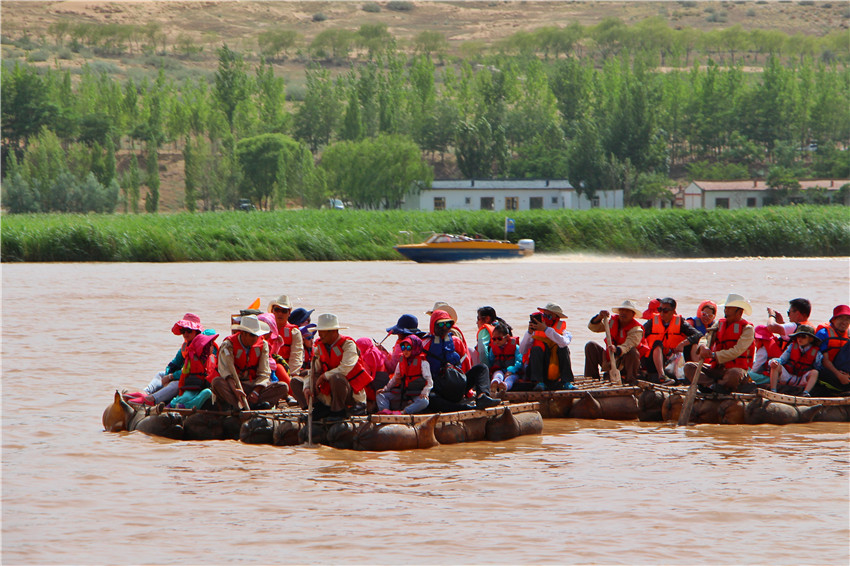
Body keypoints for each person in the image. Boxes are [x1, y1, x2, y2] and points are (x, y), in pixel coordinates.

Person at [297, 313, 373, 420]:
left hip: (350, 393)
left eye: (323, 331)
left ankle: (338, 411)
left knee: (336, 377)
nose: (319, 334)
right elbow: (314, 370)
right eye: (319, 331)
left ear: (334, 331)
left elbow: (345, 367)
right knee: (296, 381)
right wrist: (307, 387)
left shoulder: (348, 344)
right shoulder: (319, 347)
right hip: (328, 394)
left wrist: (324, 376)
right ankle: (318, 407)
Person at [423, 309, 500, 412]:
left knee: (481, 368)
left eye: (448, 324)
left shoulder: (456, 341)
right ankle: (463, 407)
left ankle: (482, 396)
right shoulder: (425, 344)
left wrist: (468, 393)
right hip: (439, 389)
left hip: (457, 385)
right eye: (441, 325)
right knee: (429, 400)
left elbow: (466, 364)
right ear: (433, 325)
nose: (445, 328)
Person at [125, 313, 206, 406]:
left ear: (196, 331)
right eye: (183, 331)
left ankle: (152, 399)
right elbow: (174, 363)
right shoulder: (185, 346)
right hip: (182, 375)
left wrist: (171, 377)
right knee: (160, 374)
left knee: (175, 384)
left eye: (189, 331)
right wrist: (167, 375)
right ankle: (145, 393)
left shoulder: (200, 347)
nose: (185, 334)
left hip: (193, 380)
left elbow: (188, 371)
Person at [212, 315, 289, 410]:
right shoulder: (228, 345)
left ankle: (253, 404)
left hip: (254, 385)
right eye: (252, 335)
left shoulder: (263, 345)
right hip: (235, 385)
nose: (255, 339)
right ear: (243, 333)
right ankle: (239, 406)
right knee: (217, 383)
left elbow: (264, 372)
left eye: (257, 335)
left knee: (282, 387)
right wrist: (236, 390)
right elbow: (226, 373)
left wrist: (255, 392)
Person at [684, 293, 756, 394]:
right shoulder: (719, 323)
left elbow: (737, 350)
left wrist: (714, 355)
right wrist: (703, 346)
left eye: (729, 309)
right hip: (716, 368)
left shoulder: (748, 329)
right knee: (689, 367)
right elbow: (706, 337)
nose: (726, 311)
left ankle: (719, 385)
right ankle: (711, 385)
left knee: (734, 374)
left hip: (734, 369)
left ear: (739, 312)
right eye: (725, 308)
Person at [641, 297, 702, 384]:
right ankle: (662, 376)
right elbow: (639, 334)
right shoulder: (652, 322)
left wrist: (683, 344)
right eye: (660, 309)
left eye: (665, 310)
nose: (662, 313)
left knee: (693, 343)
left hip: (674, 357)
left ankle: (696, 374)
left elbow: (698, 334)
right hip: (653, 361)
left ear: (673, 311)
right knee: (657, 343)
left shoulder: (680, 322)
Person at [584, 300, 645, 384]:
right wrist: (600, 317)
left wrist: (617, 349)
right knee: (591, 346)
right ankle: (592, 378)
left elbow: (629, 345)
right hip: (610, 359)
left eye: (627, 311)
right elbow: (594, 328)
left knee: (633, 351)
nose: (623, 313)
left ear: (633, 315)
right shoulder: (613, 322)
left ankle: (630, 379)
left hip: (624, 360)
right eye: (622, 310)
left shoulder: (636, 329)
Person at [520, 302, 575, 391]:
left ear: (556, 318)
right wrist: (529, 333)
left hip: (554, 370)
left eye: (549, 316)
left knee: (563, 348)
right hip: (537, 371)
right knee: (536, 348)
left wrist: (546, 330)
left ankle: (566, 382)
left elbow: (563, 342)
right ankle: (539, 382)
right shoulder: (534, 331)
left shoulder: (565, 332)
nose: (545, 318)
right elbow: (522, 351)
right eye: (544, 315)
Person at [376, 335, 432, 415]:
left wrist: (425, 393)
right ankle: (386, 412)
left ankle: (403, 412)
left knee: (424, 402)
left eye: (409, 348)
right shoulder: (401, 361)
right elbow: (395, 378)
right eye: (403, 348)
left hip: (416, 394)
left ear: (415, 348)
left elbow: (429, 382)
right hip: (403, 392)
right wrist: (386, 389)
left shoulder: (423, 363)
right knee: (380, 395)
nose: (406, 351)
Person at [168, 331, 220, 410]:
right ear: (204, 347)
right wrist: (181, 391)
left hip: (203, 389)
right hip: (191, 388)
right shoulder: (191, 360)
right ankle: (172, 405)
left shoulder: (212, 359)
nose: (212, 347)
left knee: (207, 393)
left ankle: (186, 406)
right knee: (186, 397)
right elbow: (183, 376)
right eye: (210, 345)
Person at [768, 325, 822, 396]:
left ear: (811, 339)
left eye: (803, 337)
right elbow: (782, 360)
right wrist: (773, 362)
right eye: (798, 336)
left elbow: (818, 367)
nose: (800, 339)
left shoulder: (817, 353)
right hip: (788, 376)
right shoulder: (791, 346)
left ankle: (805, 393)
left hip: (802, 379)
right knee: (776, 365)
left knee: (815, 372)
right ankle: (773, 391)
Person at [812, 305, 850, 396]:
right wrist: (839, 375)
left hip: (843, 369)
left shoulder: (848, 334)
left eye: (847, 319)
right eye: (841, 318)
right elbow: (825, 360)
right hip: (825, 369)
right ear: (833, 320)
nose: (844, 322)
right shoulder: (823, 333)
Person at [267, 295, 304, 377]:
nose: (280, 313)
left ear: (289, 313)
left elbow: (296, 356)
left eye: (284, 311)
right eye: (277, 310)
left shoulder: (294, 332)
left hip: (286, 371)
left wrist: (292, 375)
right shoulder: (265, 329)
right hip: (267, 369)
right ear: (273, 311)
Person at [488, 320, 524, 393]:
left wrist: (511, 370)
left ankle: (505, 386)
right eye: (494, 339)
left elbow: (519, 361)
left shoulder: (516, 348)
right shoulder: (493, 348)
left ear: (507, 337)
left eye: (499, 338)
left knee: (510, 378)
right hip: (500, 369)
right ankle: (495, 382)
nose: (496, 341)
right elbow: (491, 360)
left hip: (513, 372)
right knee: (497, 374)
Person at [257, 312, 291, 386]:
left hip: (271, 371)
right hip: (257, 374)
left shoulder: (271, 342)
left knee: (279, 368)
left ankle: (292, 393)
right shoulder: (252, 342)